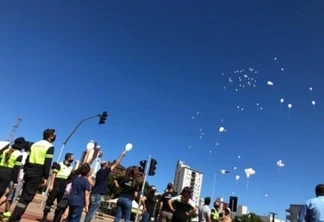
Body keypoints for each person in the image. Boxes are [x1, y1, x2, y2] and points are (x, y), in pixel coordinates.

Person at [9, 129, 56, 222]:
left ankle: (15, 217)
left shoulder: (34, 144)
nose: (54, 137)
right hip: (38, 171)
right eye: (54, 135)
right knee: (27, 197)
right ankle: (14, 218)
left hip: (29, 170)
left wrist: (26, 169)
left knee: (24, 196)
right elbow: (47, 163)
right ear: (50, 136)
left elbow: (28, 159)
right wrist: (46, 177)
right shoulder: (50, 147)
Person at [84, 150, 126, 222]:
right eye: (107, 163)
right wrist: (122, 155)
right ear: (105, 165)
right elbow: (116, 164)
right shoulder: (105, 171)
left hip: (93, 193)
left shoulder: (99, 172)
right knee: (92, 212)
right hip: (98, 194)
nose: (108, 164)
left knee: (89, 211)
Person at [41, 153, 74, 222]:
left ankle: (56, 219)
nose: (72, 159)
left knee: (60, 204)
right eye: (71, 157)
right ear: (68, 157)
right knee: (49, 201)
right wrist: (51, 185)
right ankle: (44, 217)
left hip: (64, 185)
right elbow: (54, 174)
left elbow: (71, 177)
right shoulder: (60, 164)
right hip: (57, 184)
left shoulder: (71, 167)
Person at [0, 148, 30, 218]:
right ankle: (6, 212)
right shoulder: (24, 155)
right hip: (18, 178)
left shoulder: (20, 154)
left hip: (13, 177)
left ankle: (6, 212)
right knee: (11, 196)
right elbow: (18, 168)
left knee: (9, 195)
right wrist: (16, 180)